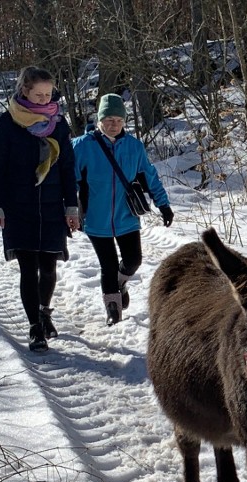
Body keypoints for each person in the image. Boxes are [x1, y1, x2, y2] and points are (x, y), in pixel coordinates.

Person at [0, 66, 79, 352]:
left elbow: (68, 167)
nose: (44, 100)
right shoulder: (8, 123)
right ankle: (34, 328)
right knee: (28, 268)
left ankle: (44, 311)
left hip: (53, 206)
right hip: (19, 206)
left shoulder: (59, 123)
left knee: (49, 267)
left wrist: (72, 205)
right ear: (24, 92)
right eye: (38, 94)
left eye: (48, 94)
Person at [72, 93, 174, 326]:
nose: (113, 124)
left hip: (126, 216)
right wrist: (68, 211)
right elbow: (69, 182)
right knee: (107, 265)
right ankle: (113, 310)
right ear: (99, 120)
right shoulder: (81, 147)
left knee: (133, 260)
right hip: (96, 220)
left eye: (118, 119)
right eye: (108, 119)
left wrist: (163, 204)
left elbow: (150, 177)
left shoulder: (134, 147)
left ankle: (120, 283)